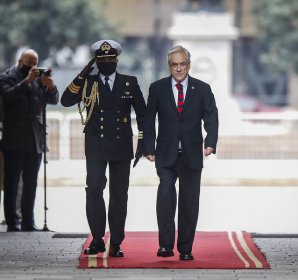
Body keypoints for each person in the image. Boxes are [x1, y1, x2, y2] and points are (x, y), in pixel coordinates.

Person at [61, 40, 146, 257]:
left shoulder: (129, 82)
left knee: (119, 195)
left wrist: (143, 141)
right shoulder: (88, 83)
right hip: (96, 145)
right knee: (94, 190)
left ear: (117, 60)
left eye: (111, 59)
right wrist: (82, 74)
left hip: (121, 146)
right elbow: (66, 100)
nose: (108, 62)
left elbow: (143, 115)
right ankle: (98, 238)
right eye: (103, 60)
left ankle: (116, 242)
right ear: (96, 63)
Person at [143, 45, 218, 261]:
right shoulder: (157, 88)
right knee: (165, 195)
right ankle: (165, 246)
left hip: (191, 154)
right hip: (165, 154)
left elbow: (211, 117)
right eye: (174, 64)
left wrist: (210, 142)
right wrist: (148, 147)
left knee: (189, 202)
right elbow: (148, 120)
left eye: (182, 64)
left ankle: (185, 248)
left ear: (189, 65)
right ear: (169, 66)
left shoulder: (202, 89)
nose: (178, 68)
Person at [0, 49, 59, 231]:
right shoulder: (7, 77)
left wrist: (51, 86)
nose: (33, 67)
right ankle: (12, 222)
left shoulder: (38, 79)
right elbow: (8, 97)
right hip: (14, 138)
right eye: (30, 63)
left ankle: (28, 221)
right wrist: (28, 81)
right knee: (12, 183)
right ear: (20, 61)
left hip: (35, 139)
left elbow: (53, 100)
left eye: (35, 63)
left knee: (31, 182)